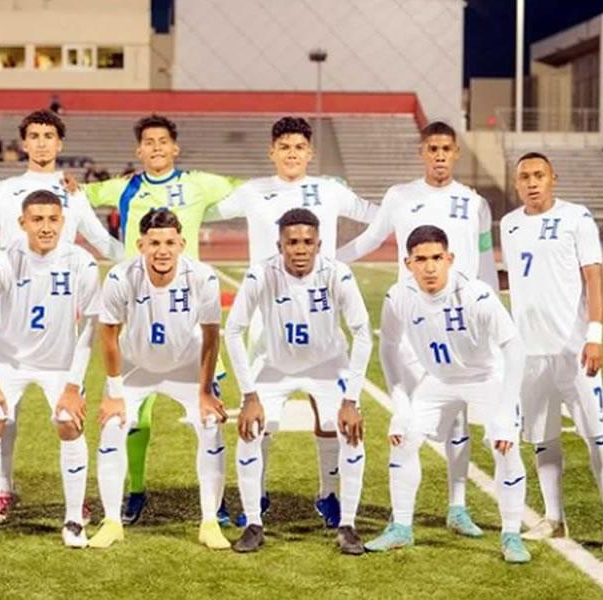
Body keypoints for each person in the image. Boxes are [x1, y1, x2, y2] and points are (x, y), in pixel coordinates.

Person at [207, 116, 377, 528]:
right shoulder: (253, 191)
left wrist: (346, 257)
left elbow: (379, 216)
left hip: (319, 309)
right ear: (272, 151)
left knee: (327, 414)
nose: (292, 154)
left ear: (309, 152)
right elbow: (205, 211)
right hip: (268, 313)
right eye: (284, 147)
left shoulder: (330, 190)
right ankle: (257, 496)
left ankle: (328, 495)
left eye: (299, 147)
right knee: (260, 416)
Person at [337, 121, 498, 538]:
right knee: (406, 417)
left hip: (461, 323)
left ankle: (457, 508)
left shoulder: (474, 203)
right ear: (422, 152)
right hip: (412, 320)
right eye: (432, 148)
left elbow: (483, 263)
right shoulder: (400, 196)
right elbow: (370, 239)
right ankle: (400, 519)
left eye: (446, 148)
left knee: (458, 421)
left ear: (456, 152)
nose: (440, 155)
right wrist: (331, 262)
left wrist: (491, 314)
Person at [82, 113, 243, 525]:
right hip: (139, 311)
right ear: (139, 150)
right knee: (137, 416)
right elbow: (80, 194)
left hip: (189, 312)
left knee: (210, 413)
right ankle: (135, 491)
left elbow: (249, 191)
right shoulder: (125, 188)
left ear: (175, 148)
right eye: (148, 142)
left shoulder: (197, 183)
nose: (155, 147)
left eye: (162, 141)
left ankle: (216, 501)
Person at [365, 225, 531, 564]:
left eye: (437, 258)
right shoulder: (398, 297)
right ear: (407, 262)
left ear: (449, 258)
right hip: (438, 380)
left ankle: (511, 535)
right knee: (404, 438)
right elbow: (388, 348)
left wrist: (503, 414)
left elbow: (514, 348)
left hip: (486, 377)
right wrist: (400, 405)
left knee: (505, 444)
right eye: (421, 259)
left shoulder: (476, 295)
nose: (429, 267)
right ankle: (401, 527)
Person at [499, 152, 603, 554]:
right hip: (530, 355)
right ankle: (554, 520)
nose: (532, 182)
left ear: (553, 177)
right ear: (516, 183)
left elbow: (593, 276)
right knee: (543, 440)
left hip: (574, 352)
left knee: (597, 435)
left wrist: (595, 335)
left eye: (539, 175)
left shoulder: (577, 218)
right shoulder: (510, 224)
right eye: (524, 177)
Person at [225, 208, 372, 555]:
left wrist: (351, 399)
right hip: (275, 365)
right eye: (292, 242)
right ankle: (253, 520)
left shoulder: (338, 274)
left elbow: (363, 333)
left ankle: (344, 519)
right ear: (280, 245)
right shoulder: (261, 274)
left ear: (319, 243)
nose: (300, 248)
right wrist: (249, 395)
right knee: (250, 430)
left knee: (349, 432)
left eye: (308, 242)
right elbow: (233, 330)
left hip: (328, 364)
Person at [90, 208, 229, 549]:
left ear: (182, 243)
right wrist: (114, 392)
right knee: (112, 426)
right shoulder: (121, 277)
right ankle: (111, 521)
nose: (162, 250)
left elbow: (212, 336)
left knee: (211, 425)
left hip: (187, 366)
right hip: (137, 367)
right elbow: (108, 335)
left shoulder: (203, 277)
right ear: (141, 245)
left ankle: (210, 522)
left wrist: (206, 389)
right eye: (154, 243)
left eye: (169, 242)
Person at [0, 190, 99, 548]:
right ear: (22, 223)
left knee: (70, 423)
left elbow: (89, 324)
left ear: (63, 221)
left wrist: (73, 385)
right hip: (10, 363)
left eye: (52, 219)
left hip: (59, 365)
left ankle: (73, 521)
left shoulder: (81, 262)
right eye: (37, 219)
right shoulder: (2, 261)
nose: (45, 227)